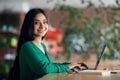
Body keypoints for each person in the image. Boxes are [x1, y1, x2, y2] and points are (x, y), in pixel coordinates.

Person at [8, 8, 88, 80]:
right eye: (36, 23)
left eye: (44, 22)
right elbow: (44, 69)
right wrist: (67, 66)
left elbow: (49, 65)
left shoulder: (41, 45)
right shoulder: (27, 46)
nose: (42, 26)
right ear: (29, 25)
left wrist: (70, 64)